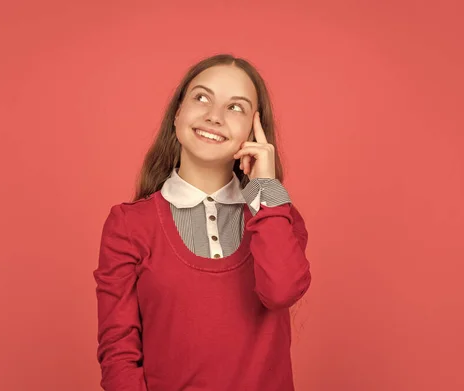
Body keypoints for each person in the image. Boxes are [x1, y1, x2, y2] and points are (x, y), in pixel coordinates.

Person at [93, 53, 311, 391]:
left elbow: (281, 291)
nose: (214, 116)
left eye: (235, 107)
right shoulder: (128, 225)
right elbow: (118, 353)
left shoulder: (278, 217)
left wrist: (267, 189)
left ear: (255, 132)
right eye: (201, 98)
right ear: (178, 112)